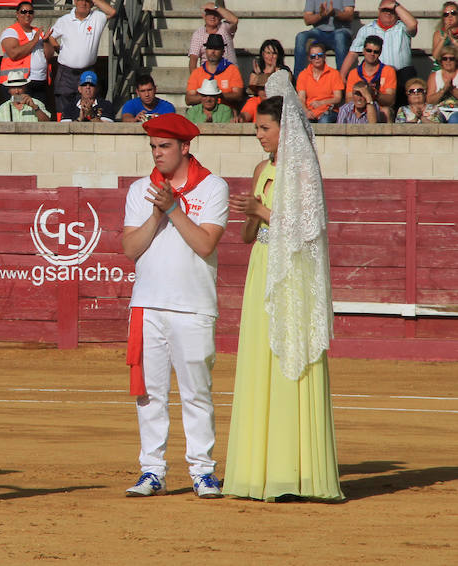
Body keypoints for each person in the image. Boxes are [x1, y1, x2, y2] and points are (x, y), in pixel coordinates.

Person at [224, 71, 344, 503]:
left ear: (284, 128)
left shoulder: (304, 172)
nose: (258, 136)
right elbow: (244, 237)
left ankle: (291, 472)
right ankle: (261, 471)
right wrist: (252, 213)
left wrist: (262, 209)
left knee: (288, 361)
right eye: (257, 128)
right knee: (260, 362)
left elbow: (310, 230)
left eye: (264, 128)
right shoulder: (261, 169)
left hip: (293, 275)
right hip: (263, 268)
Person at [122, 113, 228, 500]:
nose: (157, 154)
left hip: (194, 307)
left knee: (196, 393)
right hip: (148, 306)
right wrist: (156, 213)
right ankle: (153, 470)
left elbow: (205, 245)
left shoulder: (214, 187)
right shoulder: (141, 190)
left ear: (185, 147)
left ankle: (202, 471)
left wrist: (173, 210)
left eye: (164, 146)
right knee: (148, 394)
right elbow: (130, 249)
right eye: (152, 147)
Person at [340, 1, 418, 109]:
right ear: (379, 11)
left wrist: (395, 6)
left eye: (391, 10)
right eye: (384, 10)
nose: (388, 13)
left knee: (407, 75)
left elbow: (413, 24)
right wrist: (342, 75)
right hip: (378, 74)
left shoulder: (402, 27)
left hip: (402, 75)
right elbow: (353, 53)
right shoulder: (366, 30)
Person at [47, 0, 117, 117]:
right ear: (75, 1)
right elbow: (51, 36)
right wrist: (59, 50)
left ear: (92, 4)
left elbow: (112, 12)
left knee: (89, 102)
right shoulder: (64, 20)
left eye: (87, 1)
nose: (83, 3)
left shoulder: (97, 17)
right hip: (66, 72)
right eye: (80, 0)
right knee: (63, 104)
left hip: (87, 71)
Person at [0, 1, 53, 107]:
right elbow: (14, 54)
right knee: (19, 110)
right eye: (23, 12)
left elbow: (49, 55)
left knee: (39, 110)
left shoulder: (38, 31)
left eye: (30, 12)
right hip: (18, 85)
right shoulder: (11, 31)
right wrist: (34, 40)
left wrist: (46, 41)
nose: (27, 14)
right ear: (17, 14)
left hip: (39, 82)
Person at [294, 1, 355, 80]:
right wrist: (320, 15)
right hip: (318, 33)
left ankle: (341, 81)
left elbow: (349, 15)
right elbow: (307, 19)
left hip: (340, 30)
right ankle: (298, 80)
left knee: (340, 37)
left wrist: (335, 13)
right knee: (301, 37)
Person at [344, 35, 397, 122]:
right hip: (359, 109)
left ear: (380, 53)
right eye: (369, 50)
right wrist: (363, 97)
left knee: (386, 111)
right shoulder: (354, 73)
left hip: (379, 109)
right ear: (363, 51)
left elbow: (390, 100)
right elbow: (349, 99)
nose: (372, 54)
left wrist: (374, 94)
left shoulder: (388, 71)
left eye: (376, 52)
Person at [185, 33, 244, 107]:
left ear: (223, 52)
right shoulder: (197, 72)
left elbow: (238, 96)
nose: (213, 51)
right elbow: (189, 99)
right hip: (203, 113)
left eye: (217, 48)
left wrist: (218, 95)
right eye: (210, 48)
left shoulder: (232, 70)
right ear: (205, 50)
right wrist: (208, 96)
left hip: (225, 112)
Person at [296, 43, 344, 123]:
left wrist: (321, 103)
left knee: (324, 120)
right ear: (309, 58)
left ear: (325, 56)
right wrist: (306, 111)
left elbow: (338, 98)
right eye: (313, 56)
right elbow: (301, 98)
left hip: (329, 111)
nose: (317, 58)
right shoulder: (303, 75)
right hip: (310, 111)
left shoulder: (334, 73)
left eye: (320, 55)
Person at [188, 3, 238, 72]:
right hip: (208, 75)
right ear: (204, 16)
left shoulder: (225, 27)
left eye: (215, 14)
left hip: (230, 73)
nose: (212, 17)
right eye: (209, 14)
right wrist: (195, 80)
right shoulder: (198, 34)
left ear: (220, 17)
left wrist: (216, 7)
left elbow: (234, 20)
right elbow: (193, 60)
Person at [427, 45, 458, 123]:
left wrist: (452, 89)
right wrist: (443, 90)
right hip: (438, 110)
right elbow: (429, 101)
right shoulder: (434, 76)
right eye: (445, 59)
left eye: (451, 59)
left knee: (454, 120)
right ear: (441, 61)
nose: (448, 61)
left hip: (456, 111)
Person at [432, 2, 458, 69]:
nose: (450, 16)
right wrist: (443, 38)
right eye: (446, 14)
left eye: (453, 13)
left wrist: (453, 40)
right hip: (441, 68)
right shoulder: (438, 33)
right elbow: (435, 56)